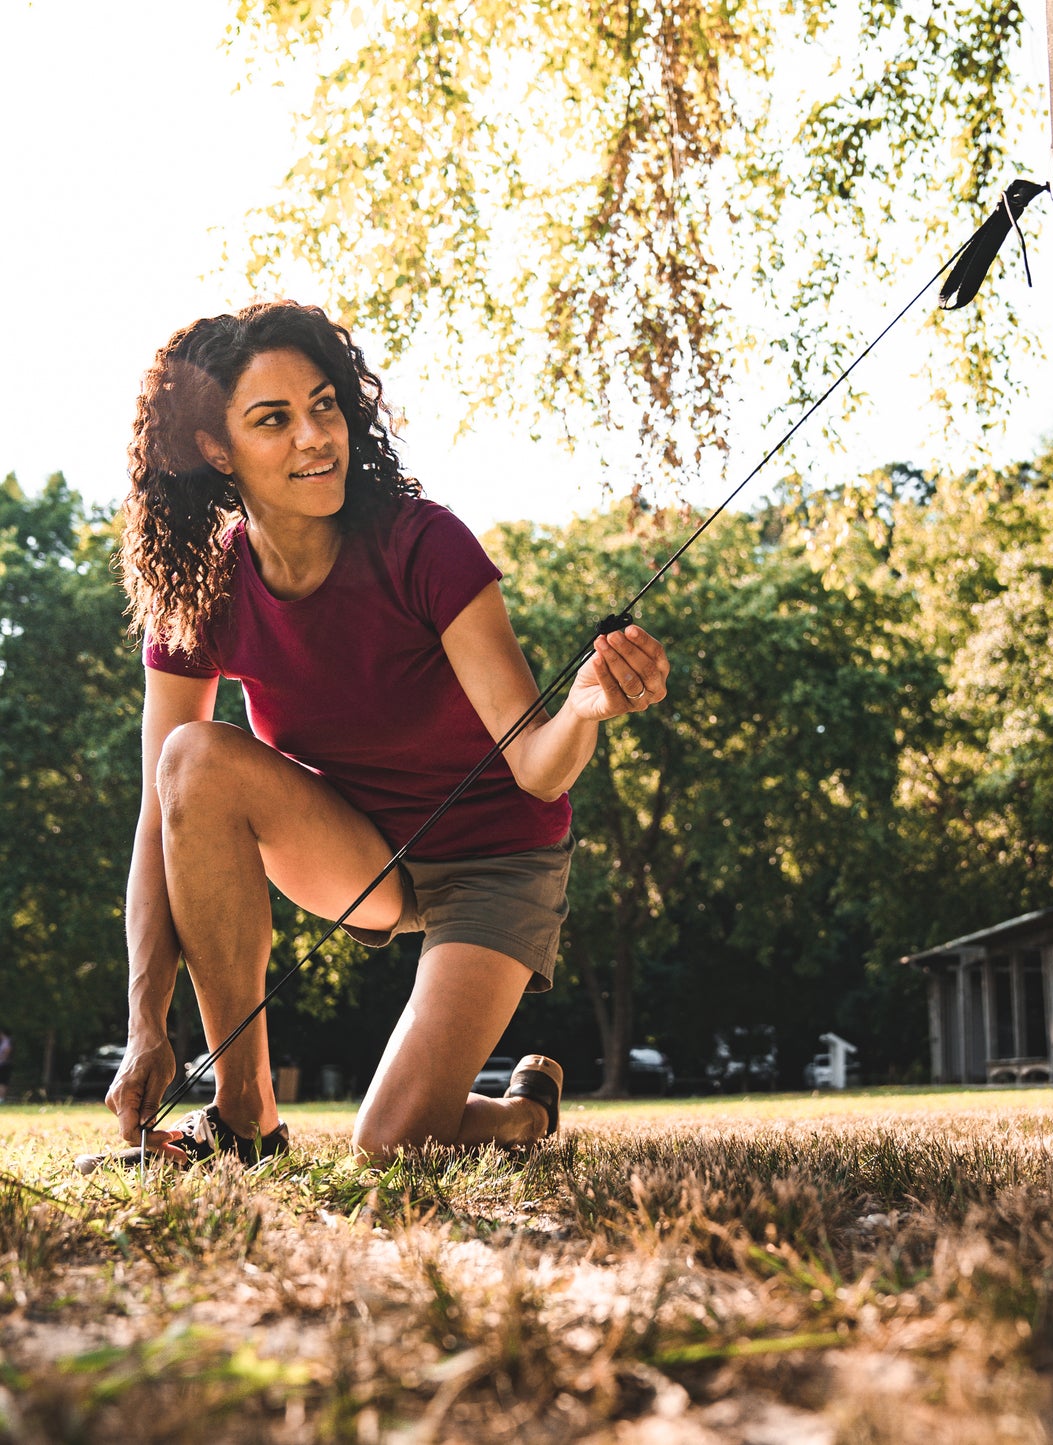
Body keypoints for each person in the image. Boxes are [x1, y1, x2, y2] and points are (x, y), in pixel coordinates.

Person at [83, 300, 670, 1170]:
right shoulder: (203, 592)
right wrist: (144, 1026)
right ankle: (244, 1119)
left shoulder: (422, 543)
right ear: (215, 449)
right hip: (357, 851)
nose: (315, 437)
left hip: (496, 857)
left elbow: (538, 769)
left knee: (391, 1141)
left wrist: (581, 706)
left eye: (324, 406)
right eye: (272, 420)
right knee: (191, 758)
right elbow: (159, 816)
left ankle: (520, 1116)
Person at [0, 1028, 12, 1102]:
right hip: (3, 1064)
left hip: (4, 1065)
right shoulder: (4, 1042)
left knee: (2, 1082)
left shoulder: (7, 1042)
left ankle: (1, 1099)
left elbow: (7, 1053)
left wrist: (2, 1058)